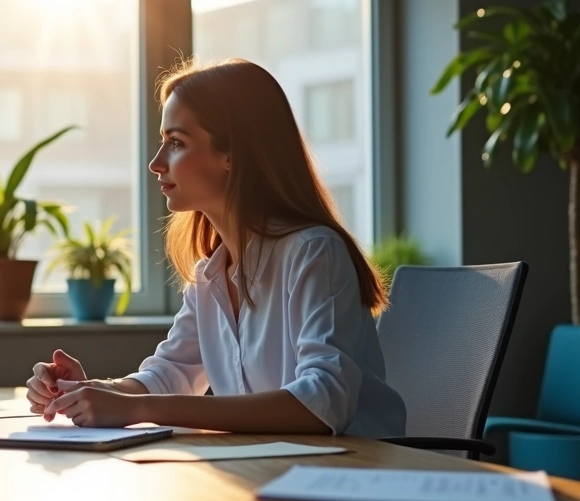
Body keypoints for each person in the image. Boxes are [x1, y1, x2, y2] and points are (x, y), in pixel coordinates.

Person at [26, 58, 406, 438]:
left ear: (232, 155)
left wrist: (138, 407)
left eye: (176, 143)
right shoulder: (211, 275)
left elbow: (324, 400)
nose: (156, 163)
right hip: (273, 468)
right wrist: (89, 392)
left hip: (353, 475)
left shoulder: (313, 253)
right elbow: (168, 375)